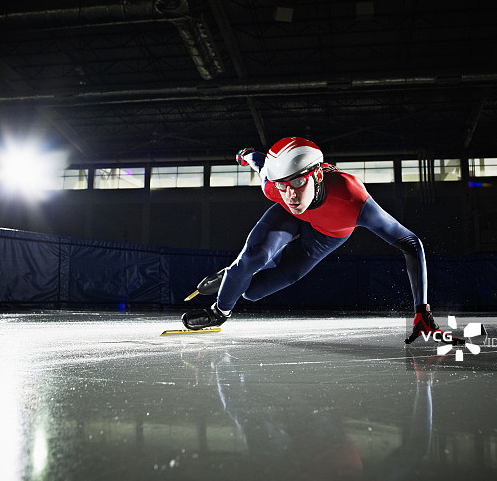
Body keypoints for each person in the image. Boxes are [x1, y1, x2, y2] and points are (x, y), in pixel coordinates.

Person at [182, 137, 443, 344]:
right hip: (287, 218)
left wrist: (422, 308)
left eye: (297, 183)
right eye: (283, 185)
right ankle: (219, 312)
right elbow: (259, 161)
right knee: (252, 259)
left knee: (251, 292)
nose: (291, 194)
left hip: (326, 235)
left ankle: (232, 278)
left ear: (317, 175)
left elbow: (411, 243)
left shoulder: (354, 201)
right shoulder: (275, 188)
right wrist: (245, 155)